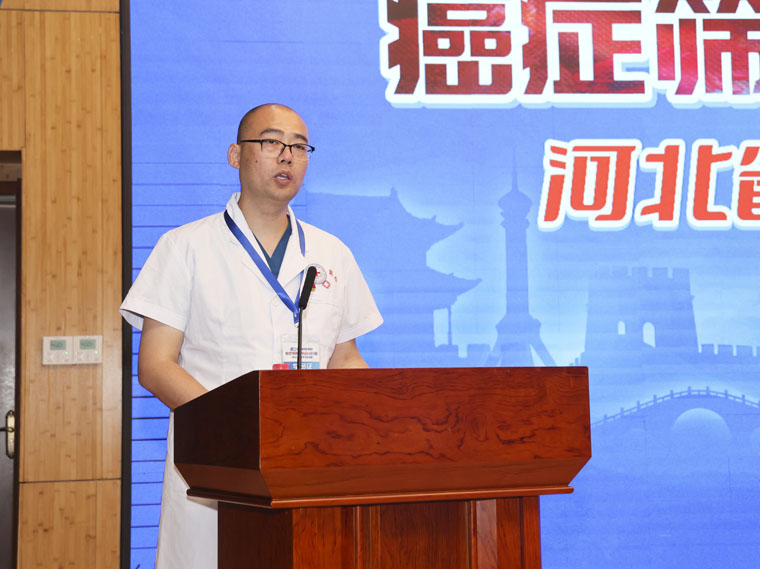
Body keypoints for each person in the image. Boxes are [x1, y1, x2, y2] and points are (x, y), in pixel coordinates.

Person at [120, 104, 383, 569]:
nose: (287, 155)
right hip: (216, 461)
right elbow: (156, 365)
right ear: (235, 155)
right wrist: (238, 428)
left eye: (299, 146)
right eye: (271, 142)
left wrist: (382, 419)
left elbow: (345, 360)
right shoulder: (185, 246)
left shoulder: (332, 253)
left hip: (309, 460)